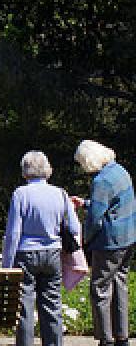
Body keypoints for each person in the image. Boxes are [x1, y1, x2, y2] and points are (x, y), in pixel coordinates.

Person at [0, 152, 80, 346]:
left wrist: (7, 265)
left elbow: (13, 233)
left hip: (25, 254)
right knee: (52, 304)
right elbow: (74, 228)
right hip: (52, 253)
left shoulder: (21, 194)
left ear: (25, 171)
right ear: (47, 169)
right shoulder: (60, 193)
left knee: (25, 306)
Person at [73, 140, 136, 346]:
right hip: (128, 238)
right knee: (120, 285)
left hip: (109, 243)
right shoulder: (120, 170)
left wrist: (83, 239)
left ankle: (105, 339)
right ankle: (122, 336)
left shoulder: (101, 181)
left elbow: (95, 219)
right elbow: (112, 205)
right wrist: (85, 203)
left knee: (99, 288)